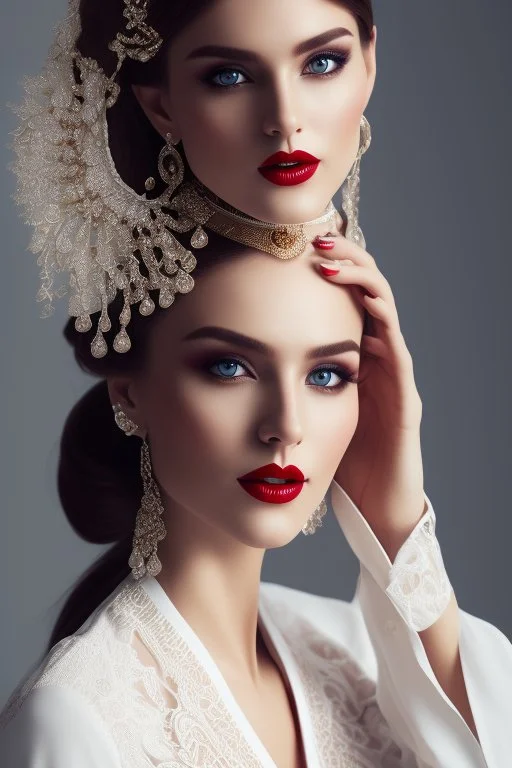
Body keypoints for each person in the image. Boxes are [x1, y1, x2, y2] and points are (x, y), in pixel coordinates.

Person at [1, 0, 511, 766]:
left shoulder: (353, 653)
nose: (287, 425)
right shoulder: (77, 722)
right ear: (128, 390)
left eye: (330, 374)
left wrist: (400, 522)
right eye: (228, 366)